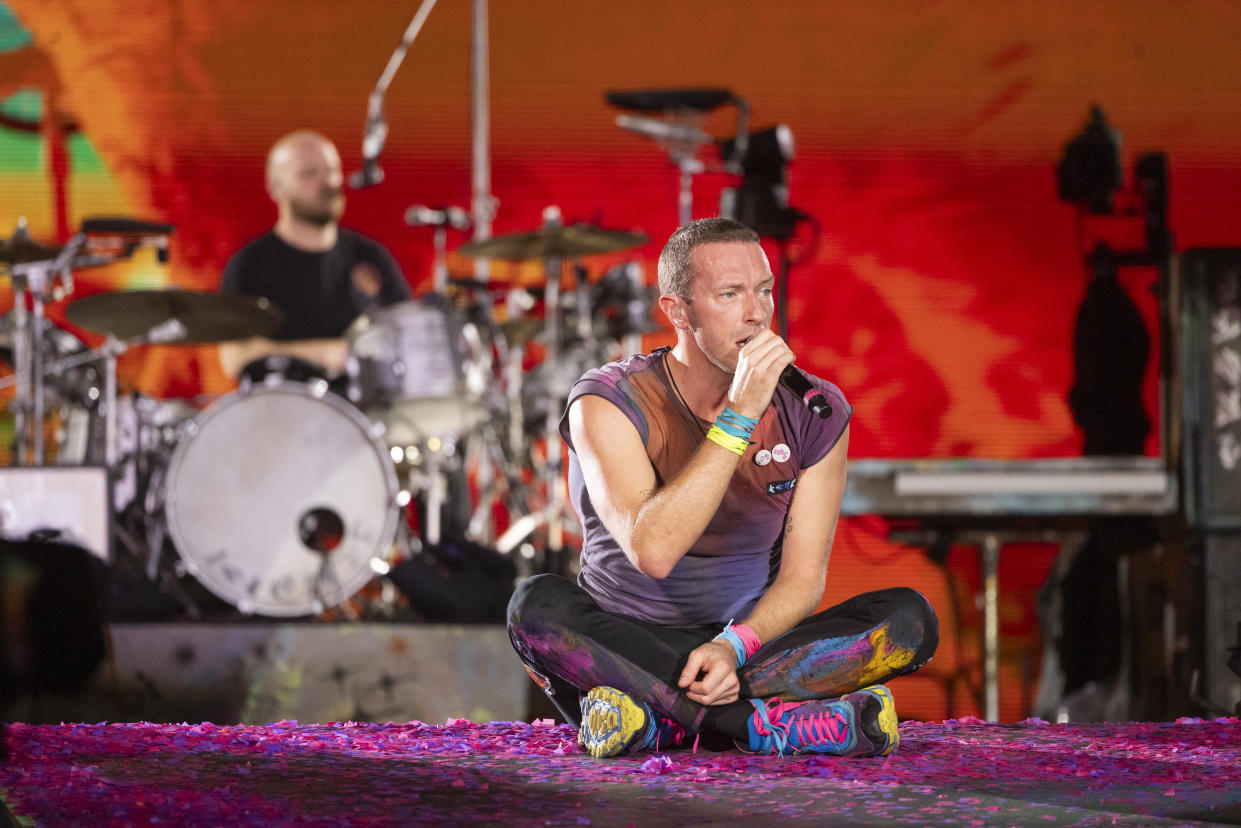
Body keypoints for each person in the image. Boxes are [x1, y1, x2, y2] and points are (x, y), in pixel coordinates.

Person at [507, 217, 938, 758]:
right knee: (535, 605)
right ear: (678, 312)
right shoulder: (606, 400)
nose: (756, 313)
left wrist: (734, 647)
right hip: (630, 643)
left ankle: (657, 722)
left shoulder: (815, 410)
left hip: (747, 650)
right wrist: (739, 416)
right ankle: (761, 728)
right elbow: (655, 551)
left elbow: (804, 579)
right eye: (730, 294)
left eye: (763, 291)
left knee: (908, 619)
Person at [218, 130, 410, 380]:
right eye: (309, 174)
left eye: (332, 171)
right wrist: (329, 354)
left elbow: (409, 339)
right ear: (276, 187)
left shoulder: (371, 256)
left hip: (366, 413)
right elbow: (235, 358)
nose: (328, 182)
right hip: (282, 411)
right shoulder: (250, 265)